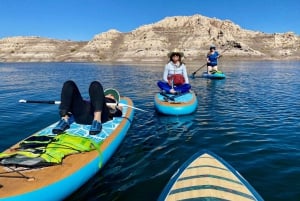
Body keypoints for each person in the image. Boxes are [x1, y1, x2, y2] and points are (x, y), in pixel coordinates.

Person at [52, 80, 122, 135]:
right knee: (69, 84)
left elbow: (119, 113)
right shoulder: (98, 98)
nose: (110, 95)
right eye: (108, 94)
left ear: (114, 99)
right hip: (82, 114)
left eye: (112, 96)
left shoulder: (113, 103)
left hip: (99, 116)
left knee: (95, 84)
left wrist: (115, 109)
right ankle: (64, 119)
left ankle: (97, 121)